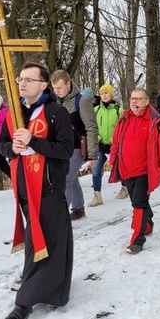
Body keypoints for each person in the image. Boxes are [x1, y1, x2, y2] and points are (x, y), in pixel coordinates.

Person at [0, 62, 74, 319]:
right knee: (43, 242)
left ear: (43, 85)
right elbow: (1, 144)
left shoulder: (56, 112)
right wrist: (14, 149)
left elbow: (65, 150)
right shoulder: (13, 113)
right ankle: (51, 290)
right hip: (23, 189)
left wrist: (34, 142)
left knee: (40, 242)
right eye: (21, 79)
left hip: (48, 188)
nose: (22, 83)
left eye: (29, 80)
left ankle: (24, 302)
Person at [109, 88, 160, 254]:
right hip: (126, 170)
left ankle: (137, 239)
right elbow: (116, 141)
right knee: (138, 202)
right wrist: (113, 160)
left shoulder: (156, 121)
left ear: (146, 101)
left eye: (138, 99)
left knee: (138, 203)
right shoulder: (124, 119)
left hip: (145, 171)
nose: (134, 102)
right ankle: (147, 222)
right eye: (132, 99)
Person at [50, 70, 98, 220]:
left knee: (66, 179)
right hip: (61, 148)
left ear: (68, 84)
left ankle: (61, 217)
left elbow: (91, 127)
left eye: (59, 88)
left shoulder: (82, 101)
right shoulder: (55, 101)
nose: (56, 91)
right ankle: (78, 208)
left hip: (77, 147)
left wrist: (92, 154)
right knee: (72, 178)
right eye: (54, 88)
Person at [90, 84, 126, 206]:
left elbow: (121, 127)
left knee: (120, 167)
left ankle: (125, 188)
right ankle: (97, 195)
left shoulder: (118, 109)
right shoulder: (96, 110)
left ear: (111, 94)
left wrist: (112, 141)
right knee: (96, 170)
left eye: (107, 93)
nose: (104, 95)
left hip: (115, 145)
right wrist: (99, 140)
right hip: (100, 145)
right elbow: (93, 127)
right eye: (102, 93)